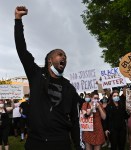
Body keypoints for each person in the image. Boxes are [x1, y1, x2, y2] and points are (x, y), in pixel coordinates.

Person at [14, 6, 81, 150]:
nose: (64, 57)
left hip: (61, 142)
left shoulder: (69, 88)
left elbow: (75, 120)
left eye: (65, 56)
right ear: (50, 60)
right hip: (35, 142)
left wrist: (78, 145)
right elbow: (21, 49)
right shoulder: (36, 75)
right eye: (60, 54)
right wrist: (18, 20)